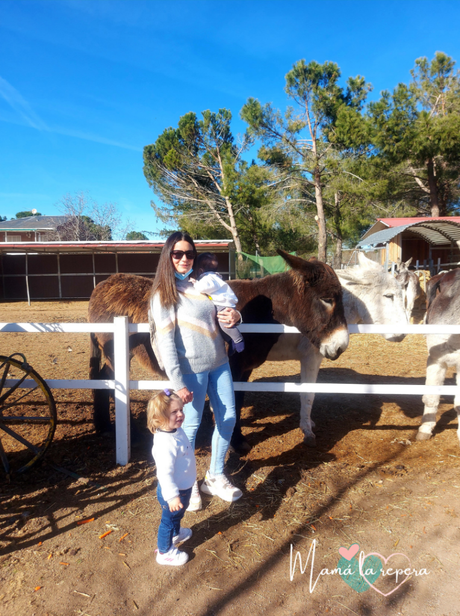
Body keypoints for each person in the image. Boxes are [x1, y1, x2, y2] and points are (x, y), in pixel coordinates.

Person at [149, 231, 243, 512]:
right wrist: (177, 383)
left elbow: (225, 309)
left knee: (228, 418)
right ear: (168, 256)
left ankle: (214, 475)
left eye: (189, 254)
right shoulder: (163, 295)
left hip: (219, 363)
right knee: (188, 428)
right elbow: (166, 342)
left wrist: (236, 316)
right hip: (190, 370)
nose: (184, 259)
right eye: (177, 254)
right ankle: (185, 485)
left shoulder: (202, 284)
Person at [147, 388, 196, 566]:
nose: (180, 415)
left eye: (181, 410)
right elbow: (164, 474)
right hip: (173, 493)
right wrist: (172, 497)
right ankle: (164, 551)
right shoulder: (164, 443)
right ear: (159, 417)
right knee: (167, 521)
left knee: (177, 516)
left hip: (183, 487)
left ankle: (176, 534)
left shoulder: (175, 429)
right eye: (174, 412)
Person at [193, 252, 245, 354]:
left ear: (200, 270)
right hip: (224, 303)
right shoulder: (214, 277)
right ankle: (231, 341)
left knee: (224, 325)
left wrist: (195, 283)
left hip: (223, 305)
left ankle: (238, 340)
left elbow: (203, 288)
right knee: (222, 328)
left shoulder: (207, 278)